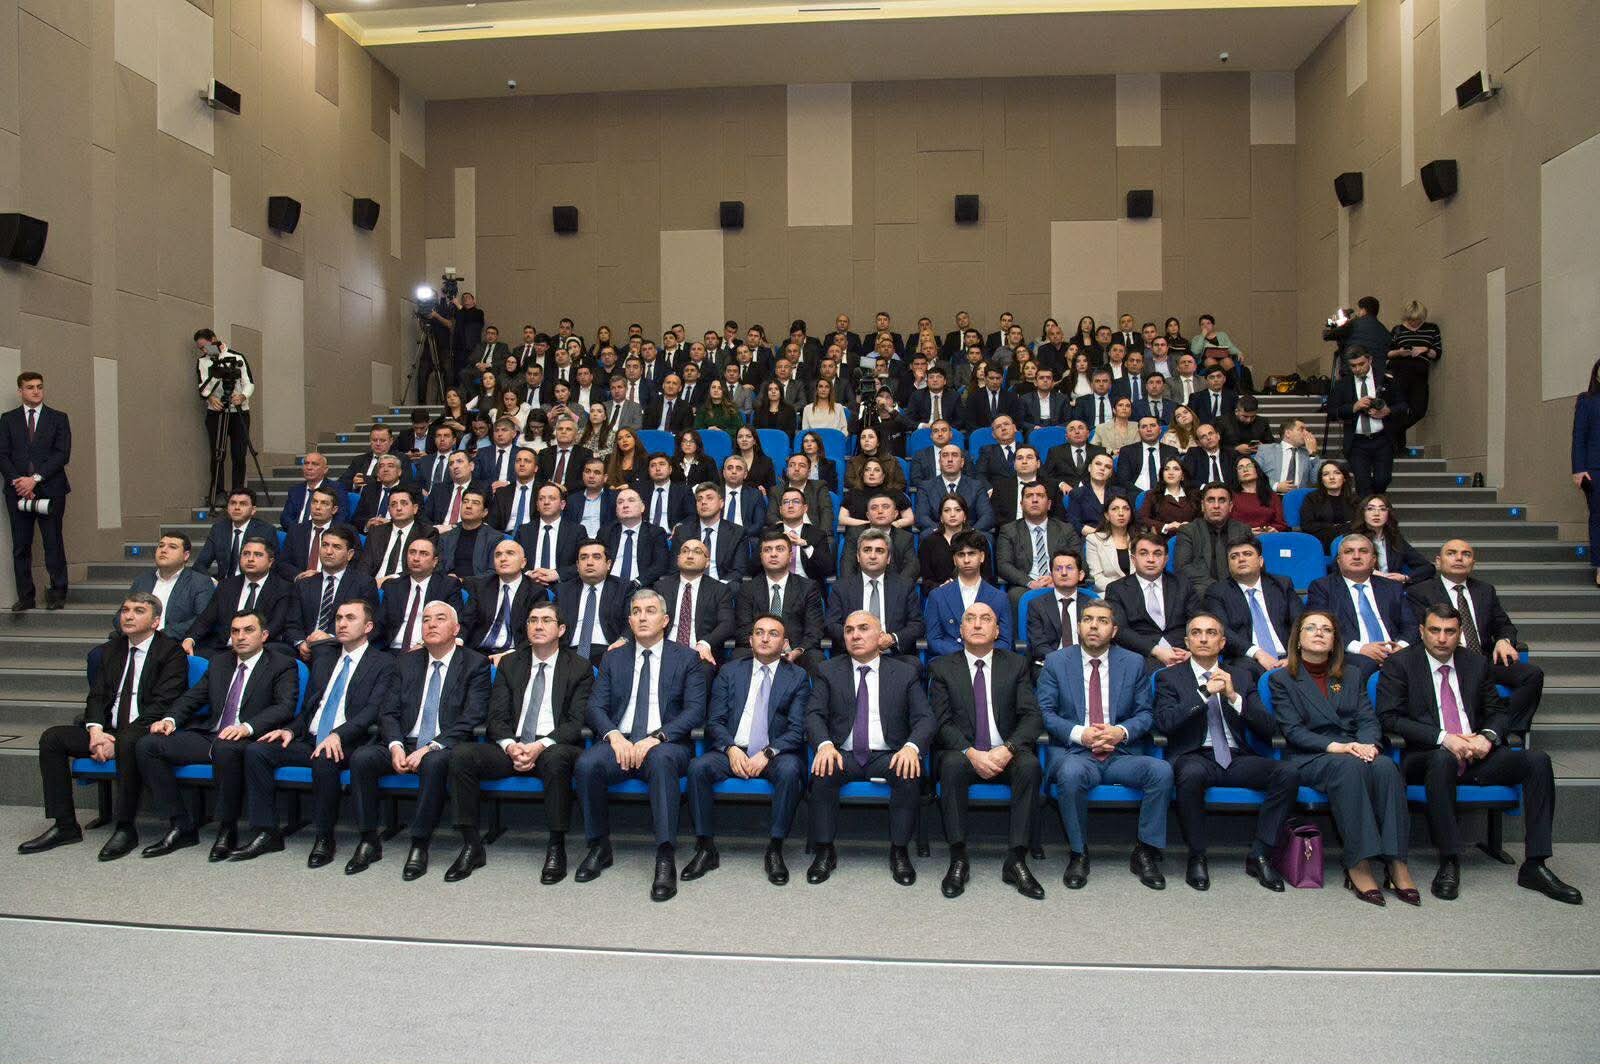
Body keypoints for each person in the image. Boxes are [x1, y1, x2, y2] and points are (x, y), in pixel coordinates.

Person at [1377, 603, 1579, 904]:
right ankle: (1449, 860)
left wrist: (1488, 737)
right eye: (1434, 630)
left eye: (1449, 631)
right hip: (1427, 756)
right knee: (1443, 758)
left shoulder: (1474, 662)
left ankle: (1535, 865)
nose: (1442, 638)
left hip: (1476, 754)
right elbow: (1390, 718)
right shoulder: (1401, 664)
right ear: (1421, 631)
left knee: (1537, 761)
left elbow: (1497, 711)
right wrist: (1445, 738)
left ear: (1460, 633)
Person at [18, 593, 188, 861]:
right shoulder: (110, 650)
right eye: (125, 610)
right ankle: (65, 825)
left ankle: (125, 827)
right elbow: (97, 696)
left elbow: (163, 704)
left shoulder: (171, 652)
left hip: (145, 729)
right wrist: (96, 732)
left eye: (138, 611)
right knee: (52, 738)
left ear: (155, 621)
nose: (128, 616)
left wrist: (116, 741)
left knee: (129, 741)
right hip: (108, 731)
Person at [232, 601, 397, 867]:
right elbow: (311, 708)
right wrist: (289, 730)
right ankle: (267, 832)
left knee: (324, 758)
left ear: (368, 627)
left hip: (352, 741)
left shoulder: (384, 663)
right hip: (310, 737)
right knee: (257, 750)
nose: (342, 623)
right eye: (339, 618)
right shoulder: (326, 658)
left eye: (350, 618)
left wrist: (338, 735)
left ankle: (324, 837)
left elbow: (373, 711)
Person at [1270, 610, 1417, 906]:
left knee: (1386, 766)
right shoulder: (1282, 679)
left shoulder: (1352, 675)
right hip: (1313, 755)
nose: (1319, 633)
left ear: (1335, 640)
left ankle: (1396, 861)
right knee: (1349, 768)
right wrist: (1339, 746)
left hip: (1355, 749)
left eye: (1326, 629)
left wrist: (1369, 745)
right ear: (1297, 639)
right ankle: (1358, 863)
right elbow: (1294, 732)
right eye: (1311, 628)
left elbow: (1367, 718)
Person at [442, 602, 593, 884]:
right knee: (462, 754)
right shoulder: (510, 664)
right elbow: (496, 716)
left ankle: (556, 846)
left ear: (561, 629)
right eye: (533, 620)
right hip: (512, 746)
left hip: (553, 745)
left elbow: (576, 722)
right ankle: (471, 845)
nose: (538, 626)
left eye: (546, 620)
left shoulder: (579, 667)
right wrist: (511, 746)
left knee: (557, 759)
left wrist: (540, 745)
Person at [575, 589, 707, 902]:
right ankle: (599, 846)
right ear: (630, 620)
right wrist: (614, 736)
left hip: (665, 743)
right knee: (587, 764)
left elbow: (695, 711)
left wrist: (656, 737)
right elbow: (595, 707)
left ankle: (665, 855)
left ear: (666, 620)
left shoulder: (687, 658)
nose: (642, 617)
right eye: (636, 612)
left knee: (661, 762)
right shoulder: (614, 658)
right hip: (621, 740)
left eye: (650, 611)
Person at [136, 610, 300, 861]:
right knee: (148, 745)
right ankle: (181, 825)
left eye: (248, 630)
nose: (240, 637)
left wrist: (246, 727)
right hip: (211, 734)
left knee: (225, 748)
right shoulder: (220, 662)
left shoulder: (281, 664)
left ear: (264, 635)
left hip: (249, 738)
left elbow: (284, 706)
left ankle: (227, 828)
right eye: (235, 631)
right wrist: (170, 719)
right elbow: (193, 697)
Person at [345, 601, 490, 879]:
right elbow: (388, 712)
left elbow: (472, 717)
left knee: (433, 763)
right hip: (404, 741)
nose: (431, 624)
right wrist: (395, 745)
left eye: (440, 619)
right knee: (362, 757)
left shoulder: (475, 664)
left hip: (443, 744)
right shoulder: (404, 663)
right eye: (426, 619)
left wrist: (430, 746)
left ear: (456, 629)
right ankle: (368, 839)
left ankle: (419, 843)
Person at [1155, 613, 1296, 892]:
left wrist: (1234, 697)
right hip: (1195, 755)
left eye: (1211, 633)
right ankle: (1197, 855)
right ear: (1187, 642)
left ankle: (1260, 854)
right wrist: (1204, 692)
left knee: (1288, 773)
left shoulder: (1242, 676)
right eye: (1196, 633)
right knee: (1190, 774)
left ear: (1222, 643)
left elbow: (1269, 727)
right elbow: (1165, 723)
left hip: (1235, 756)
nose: (1203, 639)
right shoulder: (1169, 678)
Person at [1037, 600, 1172, 889]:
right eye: (1087, 619)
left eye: (1102, 621)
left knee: (1161, 771)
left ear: (1114, 630)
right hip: (1076, 752)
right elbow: (1046, 713)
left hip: (1120, 753)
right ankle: (1078, 853)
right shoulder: (1056, 661)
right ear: (1079, 626)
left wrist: (1120, 732)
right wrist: (1081, 734)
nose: (1094, 626)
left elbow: (1145, 714)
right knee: (1070, 774)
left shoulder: (1133, 662)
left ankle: (1145, 851)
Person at [804, 610, 934, 886]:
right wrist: (824, 745)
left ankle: (899, 851)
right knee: (823, 772)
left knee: (908, 773)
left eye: (863, 628)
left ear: (880, 635)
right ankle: (825, 850)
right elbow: (814, 714)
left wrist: (911, 748)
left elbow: (925, 718)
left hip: (888, 754)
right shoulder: (828, 670)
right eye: (849, 630)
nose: (855, 635)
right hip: (843, 753)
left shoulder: (904, 672)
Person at [927, 602, 1046, 899]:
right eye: (970, 619)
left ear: (997, 630)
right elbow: (940, 723)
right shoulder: (942, 667)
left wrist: (1008, 749)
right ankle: (958, 857)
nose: (978, 624)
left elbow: (1032, 717)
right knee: (951, 765)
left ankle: (1016, 859)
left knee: (1030, 766)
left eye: (985, 619)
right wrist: (971, 752)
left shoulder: (1016, 664)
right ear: (961, 630)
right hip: (964, 753)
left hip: (1006, 751)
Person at [683, 613, 810, 886]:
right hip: (734, 750)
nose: (765, 638)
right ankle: (705, 847)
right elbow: (715, 721)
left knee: (790, 771)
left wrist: (768, 753)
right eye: (759, 632)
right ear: (750, 640)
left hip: (775, 754)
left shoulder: (797, 676)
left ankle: (775, 848)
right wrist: (730, 748)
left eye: (773, 634)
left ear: (785, 643)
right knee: (698, 767)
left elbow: (797, 729)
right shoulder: (729, 671)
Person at [1407, 538, 1544, 742]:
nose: (1459, 558)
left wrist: (1504, 640)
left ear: (1473, 563)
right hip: (1446, 661)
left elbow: (1504, 625)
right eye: (1451, 553)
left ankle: (1502, 731)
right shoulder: (1421, 591)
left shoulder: (1485, 590)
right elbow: (1421, 633)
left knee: (1532, 674)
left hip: (1483, 661)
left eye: (1466, 554)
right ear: (1438, 561)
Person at [1307, 533, 1414, 669]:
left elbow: (1411, 625)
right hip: (1352, 654)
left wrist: (1401, 647)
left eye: (1363, 551)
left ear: (1373, 559)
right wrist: (1360, 648)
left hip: (1396, 652)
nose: (1356, 556)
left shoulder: (1392, 587)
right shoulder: (1322, 588)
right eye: (1349, 551)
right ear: (1339, 560)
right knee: (1366, 665)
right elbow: (1320, 626)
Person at [826, 528, 925, 670]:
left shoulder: (904, 586)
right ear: (858, 557)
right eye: (867, 550)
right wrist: (859, 639)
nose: (872, 556)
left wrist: (892, 638)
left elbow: (917, 624)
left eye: (879, 551)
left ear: (888, 558)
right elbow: (831, 624)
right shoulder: (841, 588)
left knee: (913, 666)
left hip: (893, 655)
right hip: (853, 655)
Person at [182, 536, 299, 654]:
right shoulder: (226, 585)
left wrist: (245, 644)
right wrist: (190, 639)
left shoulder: (284, 588)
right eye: (246, 554)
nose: (250, 559)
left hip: (262, 649)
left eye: (258, 555)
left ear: (270, 562)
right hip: (224, 648)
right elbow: (206, 619)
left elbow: (275, 626)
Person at [1203, 536, 1300, 679]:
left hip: (1287, 656)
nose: (1241, 559)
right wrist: (1257, 653)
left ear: (1260, 561)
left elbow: (1300, 622)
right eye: (1234, 556)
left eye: (1247, 554)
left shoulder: (1282, 585)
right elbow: (1221, 630)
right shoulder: (1217, 592)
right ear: (1229, 564)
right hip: (1247, 659)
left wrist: (1293, 656)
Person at [1105, 531, 1200, 671]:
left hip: (1183, 653)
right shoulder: (1117, 589)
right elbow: (1120, 630)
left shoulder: (1182, 584)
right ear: (1133, 559)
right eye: (1144, 553)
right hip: (1142, 656)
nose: (1151, 559)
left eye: (1157, 554)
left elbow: (1197, 620)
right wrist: (1156, 650)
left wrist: (1193, 651)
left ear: (1166, 559)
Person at [733, 529, 825, 673]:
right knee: (738, 655)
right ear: (761, 557)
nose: (773, 554)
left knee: (815, 657)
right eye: (767, 550)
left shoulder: (808, 587)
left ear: (790, 556)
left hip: (795, 651)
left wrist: (797, 651)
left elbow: (814, 630)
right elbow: (743, 629)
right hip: (758, 650)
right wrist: (766, 648)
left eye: (780, 549)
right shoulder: (748, 589)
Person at [924, 531, 1013, 656]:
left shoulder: (1000, 598)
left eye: (971, 554)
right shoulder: (937, 596)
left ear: (982, 557)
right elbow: (933, 640)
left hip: (987, 661)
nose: (966, 560)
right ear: (954, 560)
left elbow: (1005, 641)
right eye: (961, 555)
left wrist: (980, 655)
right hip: (950, 660)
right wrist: (965, 655)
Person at [1330, 348, 1405, 494]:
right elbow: (1332, 411)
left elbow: (1403, 405)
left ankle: (1374, 502)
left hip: (1382, 439)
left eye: (1361, 364)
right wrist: (1354, 407)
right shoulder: (1343, 384)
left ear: (1370, 360)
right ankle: (1367, 504)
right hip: (1357, 442)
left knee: (1382, 479)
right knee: (1362, 482)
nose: (1358, 369)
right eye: (1353, 366)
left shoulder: (1385, 379)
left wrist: (1387, 411)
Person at [995, 482, 1081, 608]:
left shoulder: (1066, 529)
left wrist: (1055, 578)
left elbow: (1080, 562)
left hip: (1061, 582)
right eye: (1029, 496)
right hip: (1025, 586)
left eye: (1040, 495)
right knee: (1015, 596)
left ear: (1049, 504)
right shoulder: (1009, 531)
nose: (1034, 500)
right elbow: (1003, 565)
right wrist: (1030, 582)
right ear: (1021, 505)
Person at [193, 330, 255, 503]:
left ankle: (238, 493)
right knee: (217, 454)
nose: (203, 351)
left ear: (214, 340)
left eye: (205, 346)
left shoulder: (237, 357)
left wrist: (242, 396)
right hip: (216, 412)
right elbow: (203, 386)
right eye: (200, 348)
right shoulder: (202, 362)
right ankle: (218, 492)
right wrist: (210, 398)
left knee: (239, 454)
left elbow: (249, 383)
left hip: (239, 411)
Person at [655, 538, 736, 668]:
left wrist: (706, 643)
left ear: (707, 562)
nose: (690, 555)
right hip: (664, 652)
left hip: (700, 654)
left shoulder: (719, 589)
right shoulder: (661, 587)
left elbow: (727, 624)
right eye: (685, 551)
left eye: (697, 552)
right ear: (678, 559)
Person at [374, 537, 461, 653]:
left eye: (424, 554)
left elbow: (455, 623)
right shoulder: (393, 586)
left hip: (427, 649)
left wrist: (422, 644)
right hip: (390, 650)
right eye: (412, 552)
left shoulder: (447, 586)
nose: (416, 558)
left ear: (435, 561)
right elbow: (380, 624)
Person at [123, 532, 214, 640]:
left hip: (175, 642)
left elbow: (203, 619)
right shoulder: (142, 580)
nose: (164, 550)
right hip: (136, 639)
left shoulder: (199, 582)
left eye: (172, 547)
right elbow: (121, 613)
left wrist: (157, 636)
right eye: (161, 546)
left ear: (186, 555)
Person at [460, 540, 541, 662]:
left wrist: (510, 655)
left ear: (523, 563)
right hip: (477, 652)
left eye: (510, 553)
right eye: (498, 555)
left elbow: (535, 632)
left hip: (515, 654)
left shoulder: (535, 592)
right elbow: (467, 621)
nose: (503, 558)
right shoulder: (481, 587)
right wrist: (458, 640)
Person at [555, 538, 629, 666]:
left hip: (610, 651)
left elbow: (631, 621)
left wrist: (623, 640)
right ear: (577, 565)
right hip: (569, 653)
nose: (589, 562)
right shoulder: (563, 590)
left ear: (608, 564)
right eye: (584, 558)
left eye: (596, 557)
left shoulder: (623, 588)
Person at [1174, 483, 1252, 596]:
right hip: (1202, 592)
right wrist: (1217, 589)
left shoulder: (1243, 530)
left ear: (1230, 506)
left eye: (1222, 500)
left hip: (1238, 591)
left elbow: (1253, 564)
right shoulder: (1188, 531)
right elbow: (1182, 567)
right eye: (1211, 500)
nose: (1216, 506)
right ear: (1202, 506)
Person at [1386, 300, 1443, 448]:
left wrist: (1424, 349)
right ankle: (1398, 446)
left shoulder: (1431, 329)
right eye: (1410, 320)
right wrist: (1400, 352)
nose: (1413, 323)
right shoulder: (1398, 330)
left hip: (1420, 374)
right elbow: (1387, 352)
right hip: (1400, 371)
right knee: (1400, 409)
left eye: (1417, 320)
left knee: (1419, 410)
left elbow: (1437, 353)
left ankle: (1391, 430)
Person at [192, 488, 276, 581]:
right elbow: (200, 564)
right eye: (233, 503)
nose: (237, 508)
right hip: (223, 583)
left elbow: (274, 566)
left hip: (251, 583)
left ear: (253, 510)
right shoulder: (219, 529)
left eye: (243, 504)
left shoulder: (266, 530)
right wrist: (213, 582)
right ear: (227, 508)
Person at [673, 483, 747, 586]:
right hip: (689, 586)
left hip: (722, 587)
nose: (703, 502)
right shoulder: (682, 531)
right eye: (699, 499)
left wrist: (718, 588)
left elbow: (738, 570)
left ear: (721, 503)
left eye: (709, 498)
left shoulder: (737, 532)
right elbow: (675, 567)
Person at [1573, 357, 1600, 587]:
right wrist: (1578, 469)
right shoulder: (1587, 400)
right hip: (1595, 470)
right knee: (1598, 517)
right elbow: (1579, 437)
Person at [278, 485, 343, 580]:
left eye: (324, 503)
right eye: (314, 502)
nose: (317, 507)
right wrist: (300, 575)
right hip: (301, 582)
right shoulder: (296, 530)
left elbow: (355, 564)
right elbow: (283, 563)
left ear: (334, 510)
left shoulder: (345, 532)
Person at [1114, 417, 1181, 495]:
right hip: (1137, 495)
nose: (1149, 429)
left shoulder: (1171, 451)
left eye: (1152, 425)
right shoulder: (1127, 451)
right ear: (1138, 432)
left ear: (1160, 430)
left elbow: (1177, 477)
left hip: (1165, 494)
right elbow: (1123, 480)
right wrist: (1144, 495)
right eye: (1144, 426)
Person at [1299, 460, 1358, 547]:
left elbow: (1358, 524)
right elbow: (1307, 525)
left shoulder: (1354, 499)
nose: (1331, 477)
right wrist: (1341, 526)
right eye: (1326, 474)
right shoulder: (1311, 498)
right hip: (1320, 543)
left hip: (1350, 542)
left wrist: (1329, 526)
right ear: (1321, 480)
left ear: (1344, 478)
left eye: (1337, 473)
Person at [1083, 495, 1135, 592]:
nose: (1121, 513)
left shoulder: (1140, 540)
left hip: (1138, 592)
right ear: (1107, 515)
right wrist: (1122, 590)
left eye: (1126, 509)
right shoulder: (1094, 540)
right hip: (1110, 593)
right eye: (1115, 509)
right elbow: (1097, 578)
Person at [280, 451, 344, 529]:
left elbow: (341, 517)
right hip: (296, 531)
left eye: (315, 464)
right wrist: (298, 531)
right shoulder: (295, 490)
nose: (309, 468)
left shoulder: (336, 489)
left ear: (325, 469)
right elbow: (285, 518)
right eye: (306, 463)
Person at [1137, 458, 1199, 535]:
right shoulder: (1152, 495)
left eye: (1176, 469)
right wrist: (1166, 526)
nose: (1171, 473)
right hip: (1162, 539)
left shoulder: (1194, 495)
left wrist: (1191, 525)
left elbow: (1202, 519)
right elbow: (1142, 519)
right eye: (1166, 469)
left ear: (1183, 475)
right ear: (1162, 474)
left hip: (1191, 537)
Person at [1256, 418, 1319, 493]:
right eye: (1302, 430)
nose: (1307, 433)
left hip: (1298, 497)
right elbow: (1255, 473)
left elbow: (1316, 481)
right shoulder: (1265, 450)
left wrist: (1313, 454)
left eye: (1306, 430)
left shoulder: (1308, 454)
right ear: (1288, 433)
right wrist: (1276, 486)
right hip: (1271, 495)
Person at [535, 415, 591, 493]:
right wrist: (550, 486)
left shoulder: (585, 454)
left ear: (576, 434)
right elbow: (537, 478)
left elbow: (587, 479)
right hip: (546, 493)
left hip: (572, 494)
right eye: (560, 429)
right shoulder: (544, 453)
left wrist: (565, 488)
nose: (563, 432)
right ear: (556, 433)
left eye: (568, 429)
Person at [1230, 458, 1287, 533]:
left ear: (1257, 470)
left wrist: (1274, 529)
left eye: (1249, 466)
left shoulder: (1271, 495)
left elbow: (1280, 523)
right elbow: (1227, 523)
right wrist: (1246, 532)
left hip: (1269, 536)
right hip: (1241, 537)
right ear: (1236, 473)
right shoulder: (1231, 496)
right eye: (1240, 468)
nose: (1245, 470)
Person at [1345, 295, 1391, 378]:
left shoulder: (1353, 324)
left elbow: (1329, 335)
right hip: (1377, 373)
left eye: (1359, 310)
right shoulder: (1383, 330)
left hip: (1353, 372)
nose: (1358, 313)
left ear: (1363, 310)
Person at [732, 425, 777, 490]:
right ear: (736, 441)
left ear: (754, 441)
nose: (744, 439)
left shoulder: (766, 462)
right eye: (740, 437)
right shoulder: (729, 461)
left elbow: (772, 488)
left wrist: (765, 492)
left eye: (748, 436)